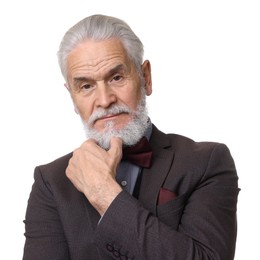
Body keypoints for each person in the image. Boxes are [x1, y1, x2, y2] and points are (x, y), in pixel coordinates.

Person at [23, 14, 239, 260]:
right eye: (86, 86)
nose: (105, 100)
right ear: (72, 97)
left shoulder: (207, 162)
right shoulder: (51, 181)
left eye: (116, 78)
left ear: (145, 77)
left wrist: (105, 194)